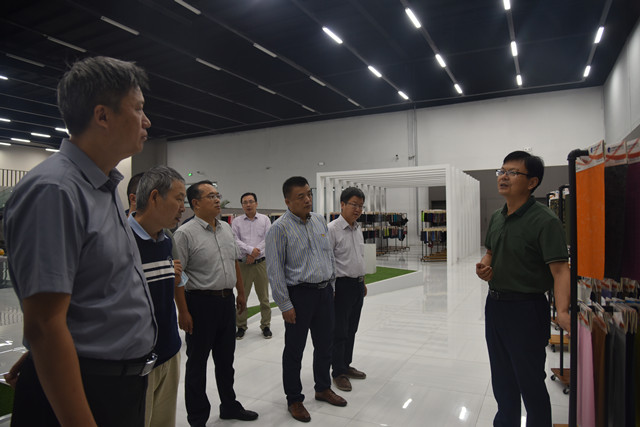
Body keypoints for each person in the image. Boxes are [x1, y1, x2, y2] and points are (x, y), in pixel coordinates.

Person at [4, 56, 157, 427]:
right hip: (88, 393)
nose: (147, 121)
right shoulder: (55, 191)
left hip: (112, 384)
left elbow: (91, 293)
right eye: (138, 108)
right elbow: (44, 325)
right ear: (102, 116)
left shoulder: (102, 185)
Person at [476, 151, 570, 427]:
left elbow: (560, 270)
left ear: (532, 182)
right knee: (502, 378)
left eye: (513, 172)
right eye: (501, 171)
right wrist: (483, 267)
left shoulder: (546, 221)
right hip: (495, 306)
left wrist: (563, 311)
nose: (503, 177)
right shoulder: (497, 216)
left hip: (527, 310)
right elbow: (490, 252)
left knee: (529, 382)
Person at [173, 181, 258, 426]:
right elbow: (179, 276)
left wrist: (240, 292)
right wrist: (183, 311)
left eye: (217, 195)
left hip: (225, 302)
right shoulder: (184, 234)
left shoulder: (226, 229)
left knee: (225, 360)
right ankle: (197, 417)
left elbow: (233, 262)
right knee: (197, 363)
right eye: (211, 196)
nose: (217, 199)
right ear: (196, 203)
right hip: (200, 304)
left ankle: (229, 405)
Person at [266, 176, 346, 423]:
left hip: (324, 293)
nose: (307, 200)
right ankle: (294, 399)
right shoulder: (279, 229)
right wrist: (285, 304)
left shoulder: (320, 221)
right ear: (287, 201)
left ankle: (323, 388)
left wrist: (331, 285)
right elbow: (275, 271)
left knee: (325, 345)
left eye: (309, 194)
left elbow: (328, 255)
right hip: (299, 296)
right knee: (294, 350)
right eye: (300, 196)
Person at [129, 166, 186, 427]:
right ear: (154, 197)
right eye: (179, 199)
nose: (183, 208)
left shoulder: (165, 240)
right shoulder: (121, 241)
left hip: (169, 351)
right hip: (137, 363)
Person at [328, 187, 367, 392]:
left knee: (352, 328)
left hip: (357, 285)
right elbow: (328, 261)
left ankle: (346, 364)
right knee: (340, 330)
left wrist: (363, 282)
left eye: (360, 206)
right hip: (341, 287)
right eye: (354, 205)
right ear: (342, 205)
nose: (358, 209)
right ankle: (338, 371)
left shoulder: (358, 229)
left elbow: (358, 257)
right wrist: (332, 289)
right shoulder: (332, 229)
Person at [232, 192, 272, 339]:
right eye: (245, 202)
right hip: (243, 265)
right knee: (242, 296)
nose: (248, 205)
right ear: (242, 205)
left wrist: (255, 253)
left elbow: (268, 238)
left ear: (256, 203)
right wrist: (250, 251)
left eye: (251, 201)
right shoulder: (236, 222)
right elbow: (234, 240)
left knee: (264, 297)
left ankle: (265, 325)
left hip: (261, 263)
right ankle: (241, 326)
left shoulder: (265, 219)